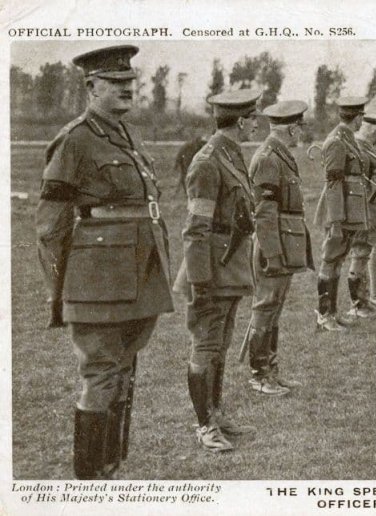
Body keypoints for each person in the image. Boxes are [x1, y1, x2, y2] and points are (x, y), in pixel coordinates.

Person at [35, 45, 174, 478]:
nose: (127, 89)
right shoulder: (75, 139)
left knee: (124, 367)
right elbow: (50, 225)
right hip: (97, 279)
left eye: (130, 82)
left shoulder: (126, 133)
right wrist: (58, 291)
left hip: (139, 272)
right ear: (91, 87)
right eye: (116, 83)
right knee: (101, 372)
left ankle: (110, 467)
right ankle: (90, 478)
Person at [173, 89, 261, 452]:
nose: (257, 122)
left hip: (230, 265)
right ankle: (204, 425)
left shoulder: (231, 154)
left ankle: (216, 413)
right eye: (253, 117)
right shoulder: (208, 161)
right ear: (241, 121)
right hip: (211, 269)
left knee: (221, 346)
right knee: (205, 346)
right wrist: (200, 281)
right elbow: (196, 228)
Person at [242, 100, 313, 396]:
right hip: (274, 245)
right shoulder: (269, 157)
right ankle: (259, 374)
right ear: (292, 128)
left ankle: (271, 369)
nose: (301, 134)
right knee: (265, 307)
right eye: (299, 128)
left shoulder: (279, 154)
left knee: (274, 308)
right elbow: (264, 213)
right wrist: (271, 254)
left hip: (284, 242)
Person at [312, 97, 370, 330]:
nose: (361, 123)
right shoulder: (337, 141)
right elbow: (334, 183)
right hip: (340, 213)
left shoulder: (347, 139)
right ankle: (324, 316)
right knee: (330, 261)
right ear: (356, 117)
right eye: (361, 118)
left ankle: (332, 314)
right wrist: (336, 220)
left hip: (349, 211)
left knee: (337, 261)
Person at [349, 113, 376, 316]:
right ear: (375, 132)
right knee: (361, 253)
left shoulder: (367, 150)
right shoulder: (361, 151)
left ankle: (365, 300)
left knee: (364, 252)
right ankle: (360, 303)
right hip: (369, 211)